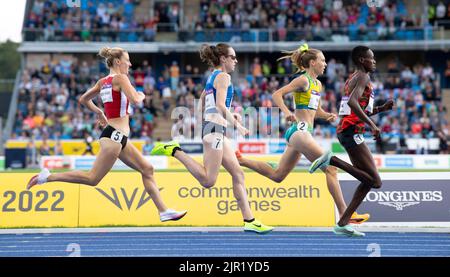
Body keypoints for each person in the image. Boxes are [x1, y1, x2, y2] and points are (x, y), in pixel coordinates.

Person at [27, 46, 187, 222]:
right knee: (92, 178)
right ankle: (48, 177)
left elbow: (83, 99)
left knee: (147, 169)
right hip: (114, 136)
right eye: (127, 60)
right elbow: (135, 100)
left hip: (117, 136)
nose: (130, 64)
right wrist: (141, 95)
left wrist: (99, 112)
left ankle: (163, 211)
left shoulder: (103, 82)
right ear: (118, 62)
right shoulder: (121, 78)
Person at [235, 43, 370, 229]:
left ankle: (241, 160)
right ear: (312, 62)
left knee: (278, 175)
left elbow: (316, 110)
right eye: (322, 61)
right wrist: (286, 112)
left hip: (302, 134)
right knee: (331, 169)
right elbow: (277, 94)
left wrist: (327, 115)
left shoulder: (317, 84)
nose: (325, 64)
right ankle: (345, 215)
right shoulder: (303, 80)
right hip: (299, 131)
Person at [151, 43, 273, 234]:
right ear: (223, 59)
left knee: (238, 173)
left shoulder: (213, 77)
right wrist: (237, 125)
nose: (236, 61)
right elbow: (219, 105)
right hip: (215, 130)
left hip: (215, 129)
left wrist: (215, 122)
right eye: (232, 57)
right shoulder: (224, 76)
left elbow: (202, 104)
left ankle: (249, 220)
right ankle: (174, 150)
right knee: (209, 181)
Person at [316, 45, 394, 236]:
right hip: (351, 132)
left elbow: (356, 108)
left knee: (368, 181)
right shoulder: (363, 77)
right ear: (361, 60)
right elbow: (352, 102)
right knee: (375, 181)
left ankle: (343, 223)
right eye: (371, 58)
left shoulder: (354, 77)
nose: (374, 61)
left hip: (348, 130)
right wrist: (372, 125)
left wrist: (381, 109)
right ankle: (333, 160)